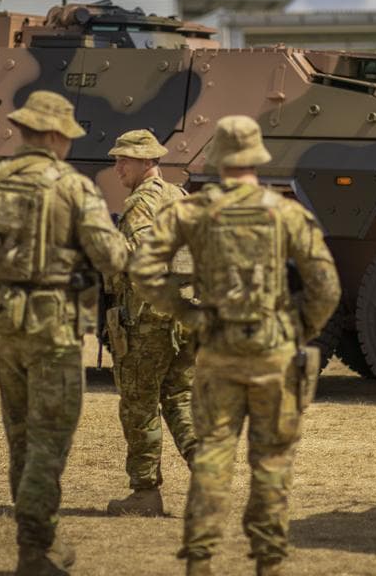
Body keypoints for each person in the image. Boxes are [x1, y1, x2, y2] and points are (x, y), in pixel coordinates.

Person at [130, 115, 341, 576]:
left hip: (219, 349)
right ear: (257, 157)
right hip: (274, 352)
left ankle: (200, 560)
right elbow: (325, 285)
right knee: (271, 462)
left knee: (212, 458)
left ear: (219, 159)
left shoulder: (193, 211)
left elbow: (144, 269)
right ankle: (268, 562)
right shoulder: (286, 212)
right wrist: (298, 329)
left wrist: (187, 313)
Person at [0, 90, 128, 576]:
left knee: (20, 436)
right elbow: (112, 258)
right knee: (50, 439)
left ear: (23, 131)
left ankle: (39, 541)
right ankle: (36, 548)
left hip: (4, 323)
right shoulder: (73, 186)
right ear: (57, 136)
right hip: (54, 324)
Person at [104, 129, 197, 517]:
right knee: (179, 398)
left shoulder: (141, 203)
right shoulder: (180, 196)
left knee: (139, 405)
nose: (118, 166)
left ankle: (145, 493)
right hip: (183, 316)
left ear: (147, 162)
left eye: (125, 159)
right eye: (117, 158)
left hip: (148, 320)